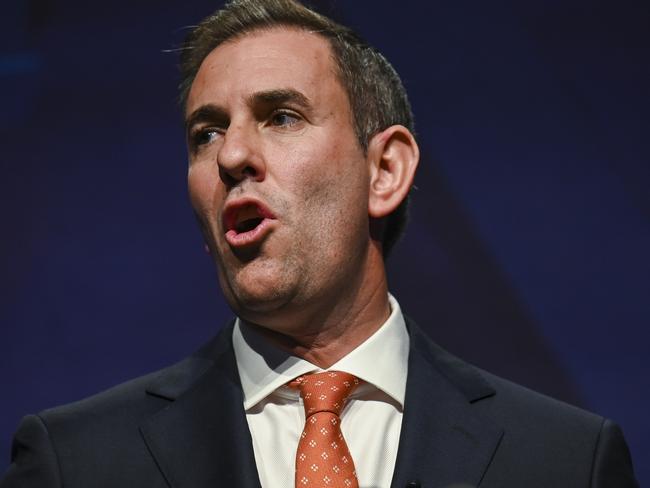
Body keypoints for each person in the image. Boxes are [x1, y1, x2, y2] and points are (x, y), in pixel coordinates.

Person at [0, 0, 639, 487]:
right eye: (206, 133)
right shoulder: (76, 461)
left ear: (384, 171)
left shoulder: (564, 460)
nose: (233, 155)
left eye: (282, 116)